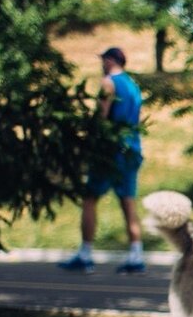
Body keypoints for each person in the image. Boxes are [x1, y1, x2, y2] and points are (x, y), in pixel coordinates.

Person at [59, 46, 146, 274]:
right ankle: (136, 254)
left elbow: (102, 117)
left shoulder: (109, 83)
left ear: (109, 61)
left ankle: (85, 254)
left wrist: (89, 140)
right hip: (132, 148)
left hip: (110, 151)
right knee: (128, 202)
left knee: (90, 198)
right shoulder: (133, 85)